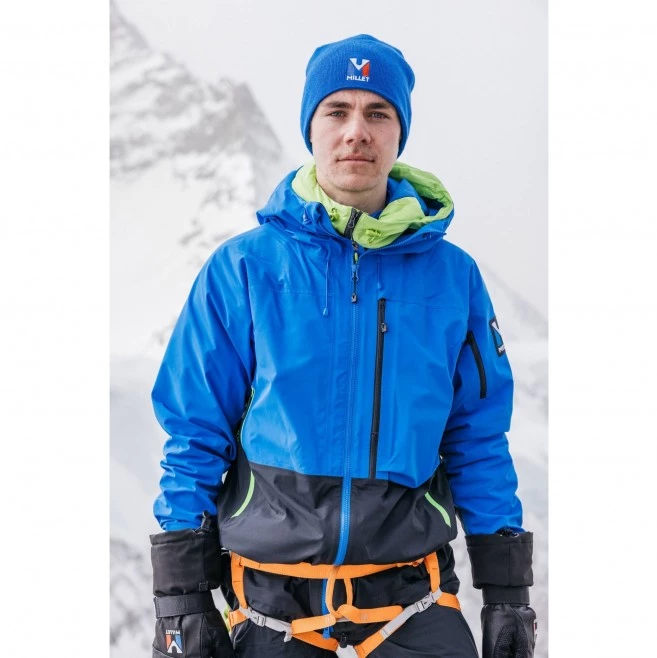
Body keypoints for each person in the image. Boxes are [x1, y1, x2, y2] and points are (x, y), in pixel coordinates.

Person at [149, 34, 537, 658]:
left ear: (399, 132)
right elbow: (194, 432)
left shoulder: (452, 278)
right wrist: (180, 598)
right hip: (270, 608)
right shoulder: (245, 269)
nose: (357, 130)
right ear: (311, 126)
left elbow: (478, 438)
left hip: (412, 602)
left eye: (378, 112)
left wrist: (508, 593)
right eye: (337, 110)